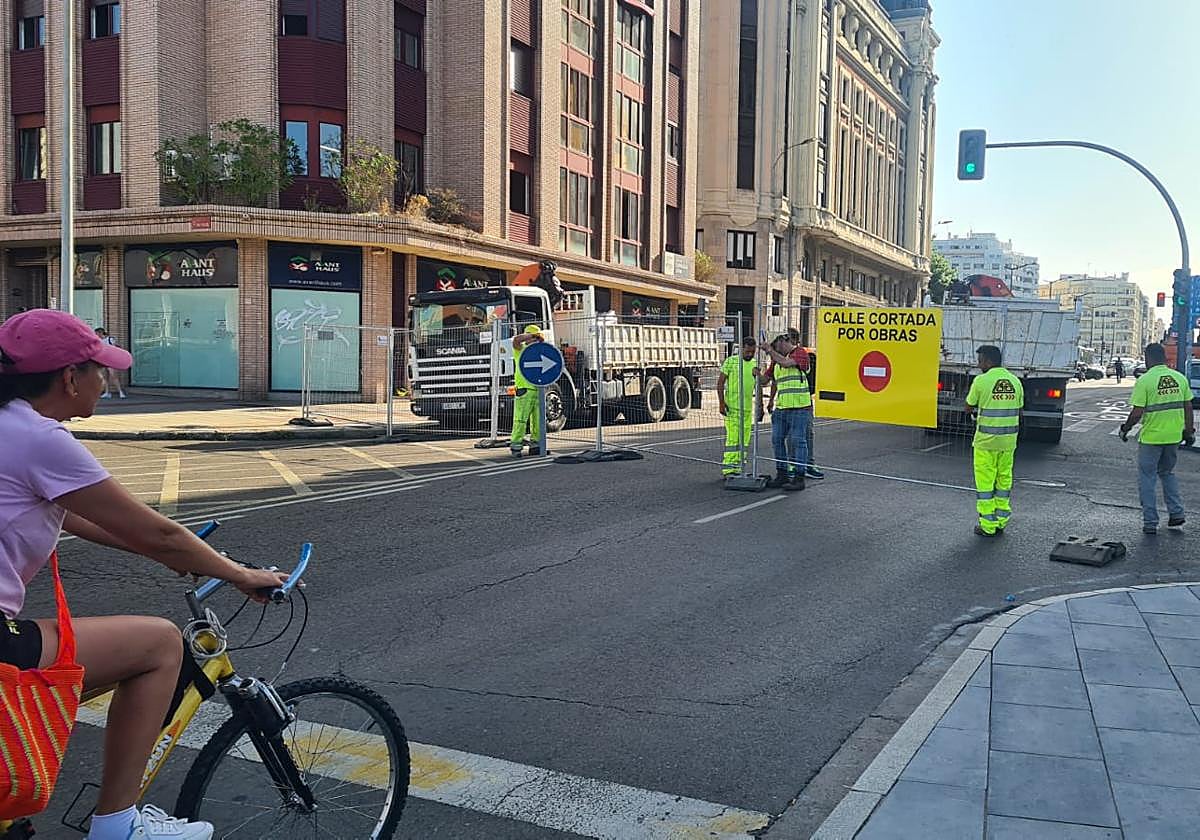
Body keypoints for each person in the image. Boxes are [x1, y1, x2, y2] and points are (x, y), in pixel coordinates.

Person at [0, 309, 287, 840]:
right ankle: (117, 824)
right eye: (101, 370)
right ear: (69, 377)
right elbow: (157, 532)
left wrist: (178, 557)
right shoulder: (40, 439)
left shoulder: (10, 426)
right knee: (158, 645)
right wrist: (240, 574)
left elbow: (79, 516)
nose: (108, 382)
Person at [1119, 342, 1195, 534]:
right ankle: (1177, 513)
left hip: (1152, 438)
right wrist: (1189, 432)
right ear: (1164, 358)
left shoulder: (1145, 381)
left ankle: (1150, 522)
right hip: (1174, 437)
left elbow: (1137, 413)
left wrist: (1125, 429)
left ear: (1147, 358)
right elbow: (1188, 408)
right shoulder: (1179, 378)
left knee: (1147, 478)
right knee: (1167, 473)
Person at [965, 345, 1023, 537]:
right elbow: (1019, 409)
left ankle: (988, 525)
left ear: (989, 361)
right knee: (1004, 480)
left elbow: (968, 406)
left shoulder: (981, 381)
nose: (978, 364)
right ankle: (1001, 520)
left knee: (985, 484)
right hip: (1008, 442)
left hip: (986, 442)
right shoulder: (1015, 381)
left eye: (980, 360)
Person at [761, 335, 810, 491]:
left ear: (784, 342)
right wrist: (756, 373)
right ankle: (782, 474)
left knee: (798, 442)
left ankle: (799, 477)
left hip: (799, 408)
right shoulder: (776, 361)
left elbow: (786, 363)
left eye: (777, 348)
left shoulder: (800, 352)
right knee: (777, 441)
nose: (776, 351)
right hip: (782, 409)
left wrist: (769, 350)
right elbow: (767, 381)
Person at [716, 336, 760, 478]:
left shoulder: (754, 364)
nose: (750, 354)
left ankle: (739, 466)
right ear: (741, 348)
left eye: (752, 352)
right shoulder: (731, 361)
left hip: (747, 409)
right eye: (747, 351)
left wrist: (760, 405)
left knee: (744, 440)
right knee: (733, 439)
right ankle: (729, 469)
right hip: (732, 408)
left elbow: (759, 386)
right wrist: (722, 403)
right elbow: (720, 383)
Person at [785, 327, 824, 479]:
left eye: (786, 339)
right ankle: (793, 465)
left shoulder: (801, 353)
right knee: (790, 436)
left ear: (793, 341)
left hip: (803, 403)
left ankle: (808, 465)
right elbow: (774, 380)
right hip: (786, 403)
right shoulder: (781, 356)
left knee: (806, 435)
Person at [510, 324, 544, 457]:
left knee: (538, 420)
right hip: (524, 389)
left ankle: (536, 445)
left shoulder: (539, 352)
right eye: (532, 338)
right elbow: (516, 340)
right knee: (520, 419)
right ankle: (516, 446)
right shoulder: (521, 350)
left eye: (537, 339)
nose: (535, 341)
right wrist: (533, 336)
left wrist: (540, 341)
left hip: (538, 389)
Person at [95, 328, 126, 400]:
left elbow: (115, 348)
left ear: (101, 333)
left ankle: (120, 392)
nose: (96, 335)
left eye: (97, 333)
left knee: (114, 376)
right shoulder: (99, 341)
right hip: (102, 360)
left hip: (110, 360)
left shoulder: (110, 339)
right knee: (105, 376)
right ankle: (107, 392)